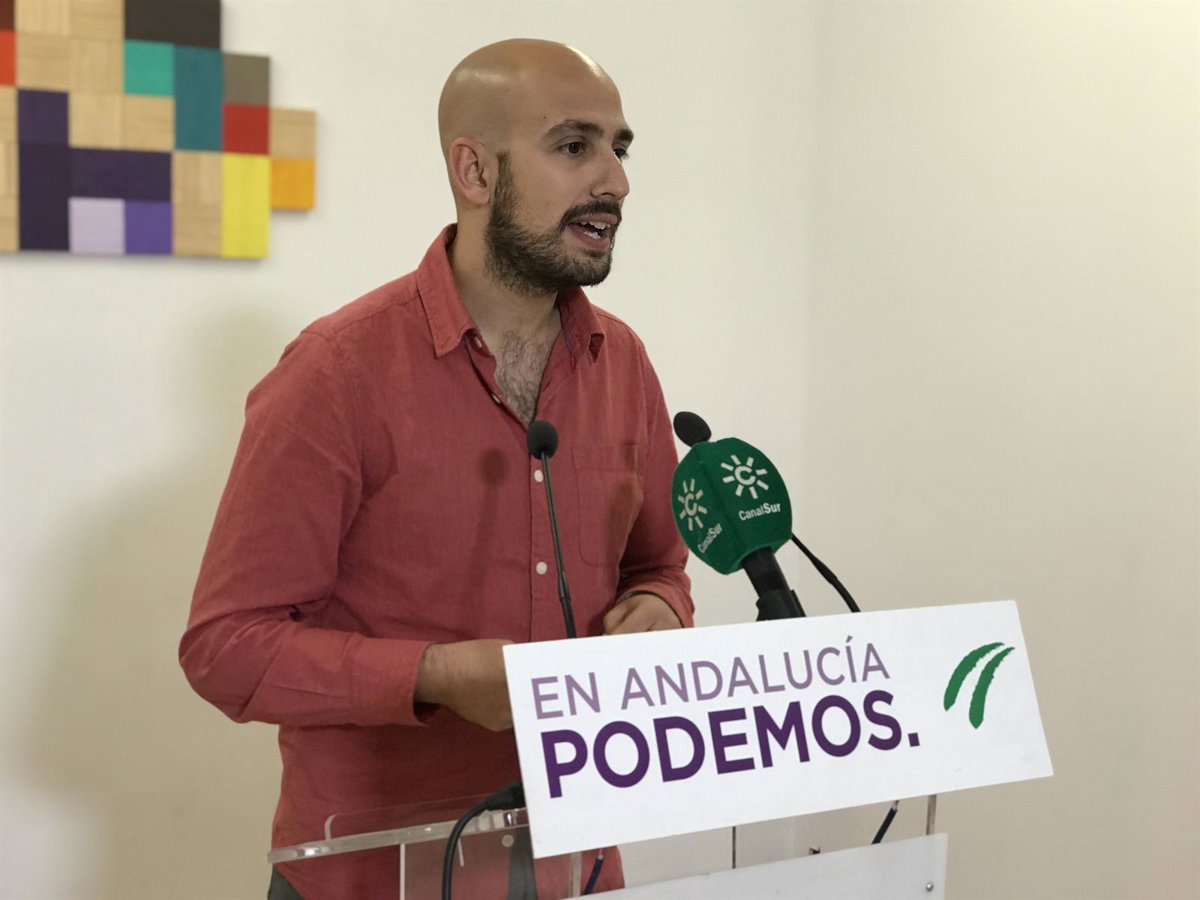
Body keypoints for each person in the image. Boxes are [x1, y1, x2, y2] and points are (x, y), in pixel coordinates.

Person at [180, 38, 693, 899]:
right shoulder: (337, 370)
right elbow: (224, 648)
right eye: (575, 146)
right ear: (475, 171)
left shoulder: (624, 364)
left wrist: (659, 608)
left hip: (577, 859)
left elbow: (661, 566)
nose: (616, 181)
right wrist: (434, 678)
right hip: (375, 873)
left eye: (620, 148)